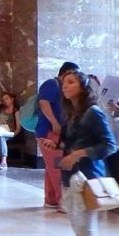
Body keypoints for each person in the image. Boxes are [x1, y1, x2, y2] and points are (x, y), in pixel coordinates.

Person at [41, 70, 117, 236]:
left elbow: (109, 145)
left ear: (83, 87)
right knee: (82, 232)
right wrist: (58, 145)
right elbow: (73, 143)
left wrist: (79, 154)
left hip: (88, 178)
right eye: (64, 82)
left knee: (89, 234)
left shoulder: (93, 113)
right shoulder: (72, 114)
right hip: (72, 177)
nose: (65, 86)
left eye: (71, 82)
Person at [36, 61, 80, 210]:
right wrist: (54, 122)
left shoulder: (60, 88)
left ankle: (51, 199)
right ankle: (64, 202)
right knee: (57, 167)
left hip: (54, 132)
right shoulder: (52, 84)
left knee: (51, 167)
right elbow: (44, 103)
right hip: (49, 132)